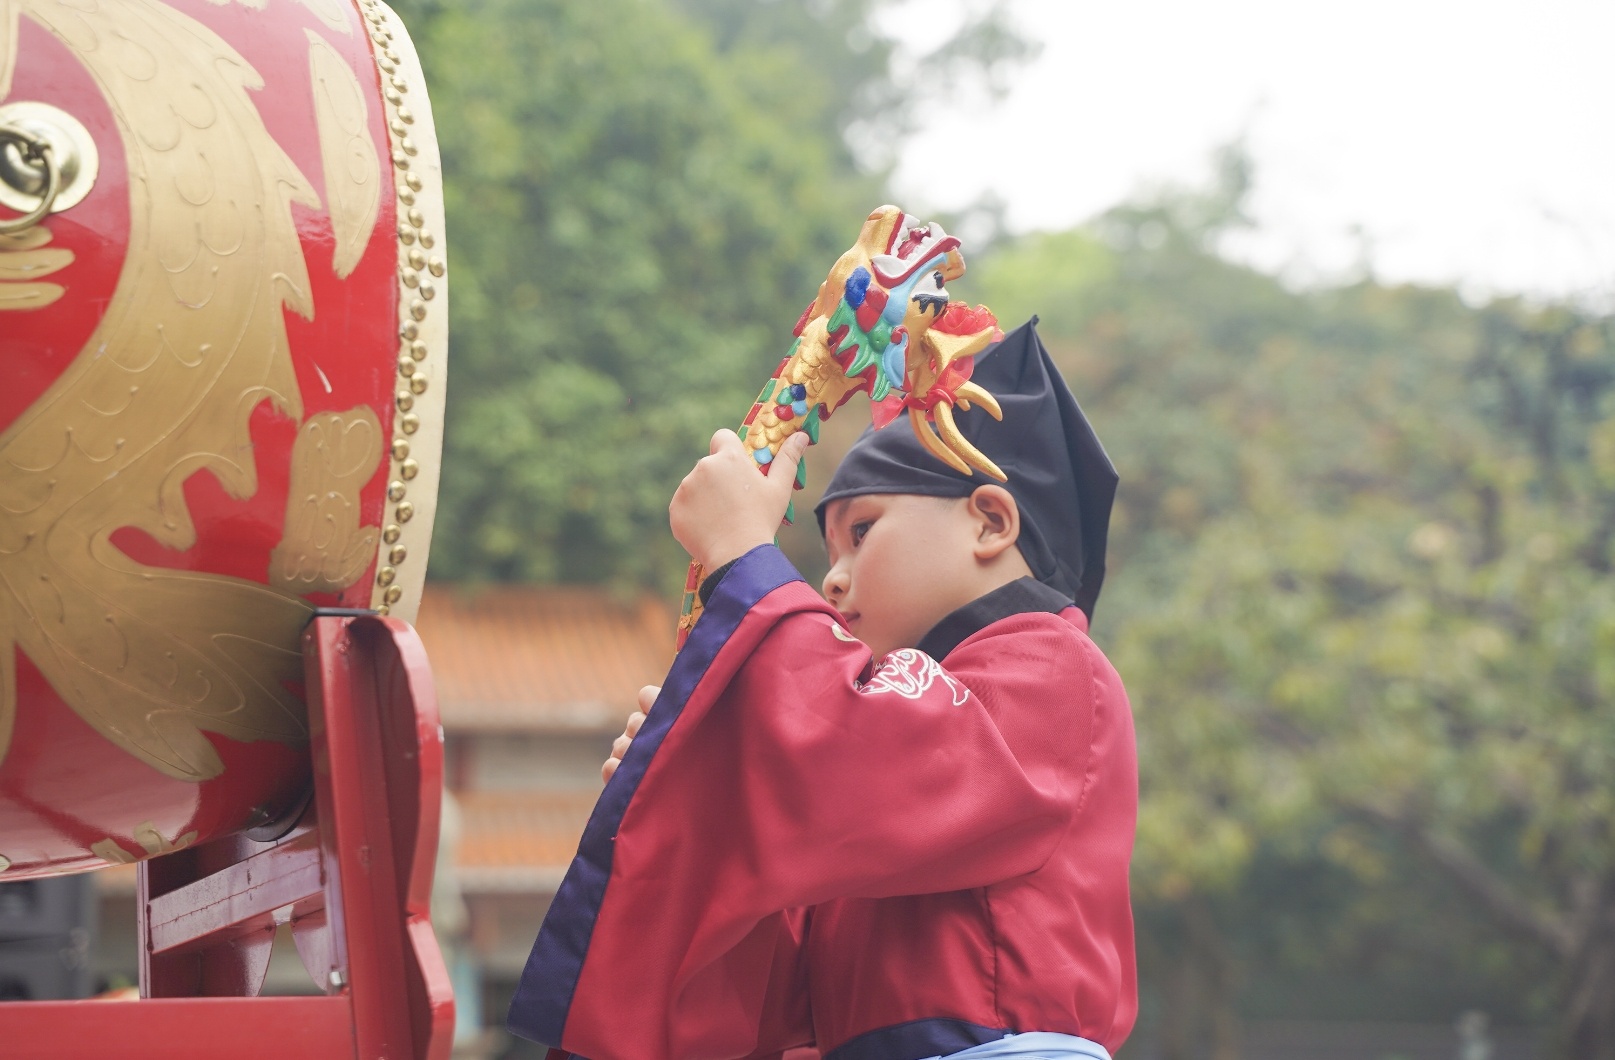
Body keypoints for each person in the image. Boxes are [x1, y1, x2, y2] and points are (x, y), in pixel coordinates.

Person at [507, 320, 1138, 1060]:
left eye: (861, 533)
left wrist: (743, 555)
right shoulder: (896, 722)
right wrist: (692, 781)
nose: (831, 579)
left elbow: (854, 756)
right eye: (826, 554)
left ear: (990, 522)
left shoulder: (1051, 663)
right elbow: (778, 995)